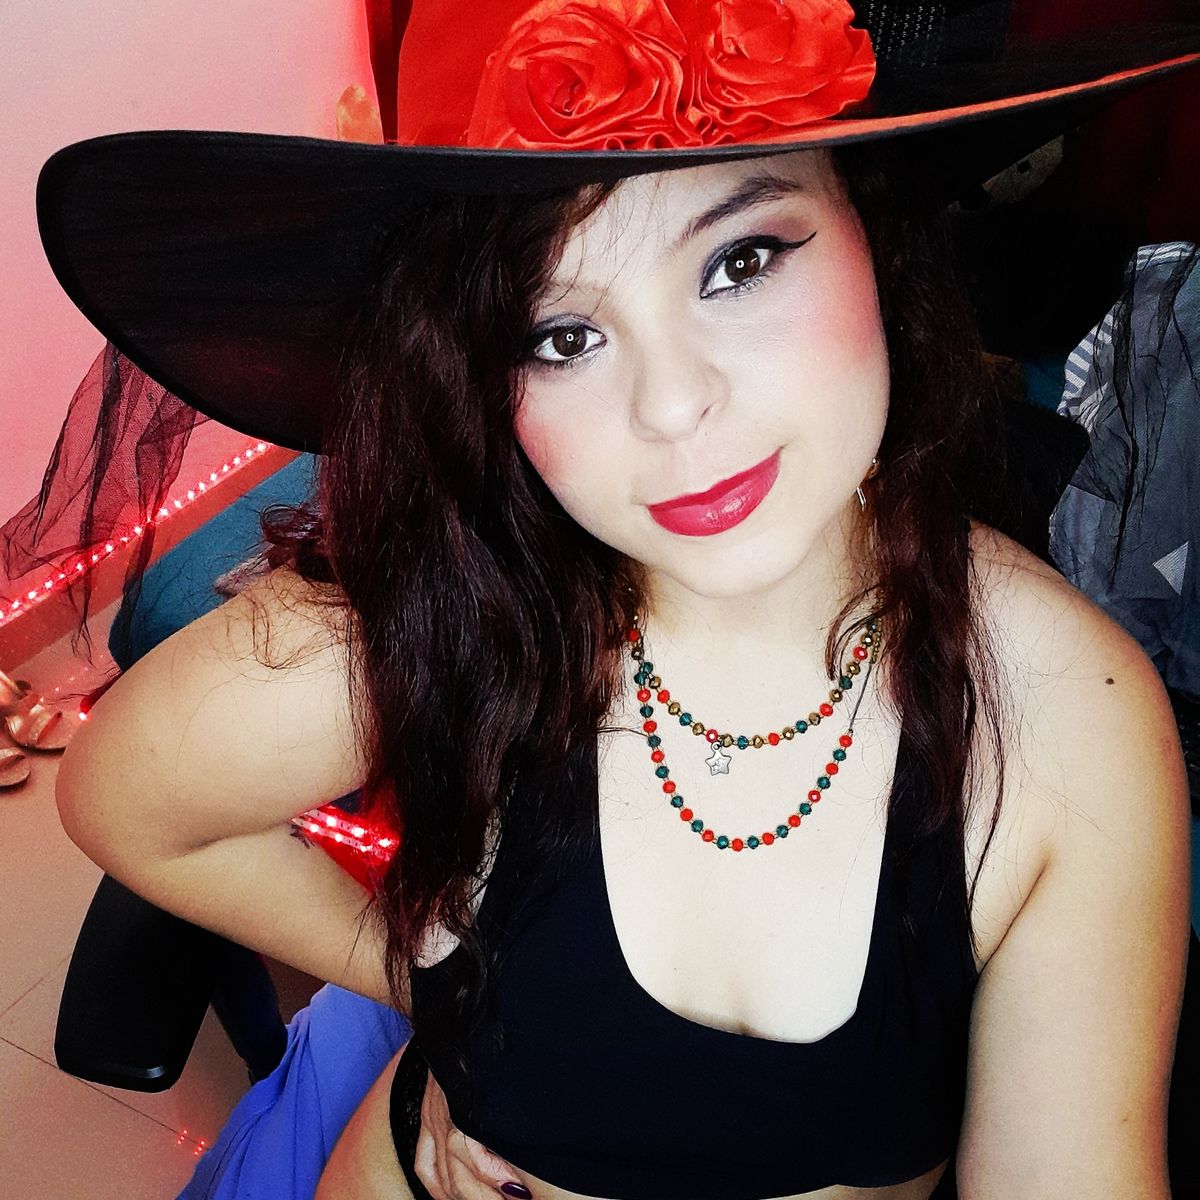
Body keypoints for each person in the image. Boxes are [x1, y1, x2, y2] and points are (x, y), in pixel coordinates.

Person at [31, 1, 1200, 1197]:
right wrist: (444, 1000)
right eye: (559, 336)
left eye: (739, 262)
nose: (672, 405)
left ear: (874, 228)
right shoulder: (458, 606)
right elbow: (129, 803)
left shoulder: (1064, 720)